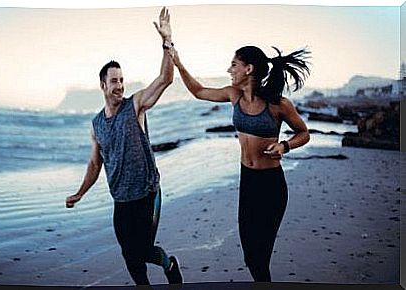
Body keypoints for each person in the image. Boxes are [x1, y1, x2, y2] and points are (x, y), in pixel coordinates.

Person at [168, 45, 311, 282]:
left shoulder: (278, 104)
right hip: (248, 182)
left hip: (271, 186)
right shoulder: (233, 95)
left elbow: (303, 133)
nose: (229, 70)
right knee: (250, 256)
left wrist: (284, 146)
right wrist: (178, 63)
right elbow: (199, 91)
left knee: (260, 256)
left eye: (234, 65)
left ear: (249, 69)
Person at [65, 7, 183, 288]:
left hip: (146, 193)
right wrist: (80, 193)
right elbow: (95, 164)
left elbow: (165, 79)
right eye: (114, 81)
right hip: (121, 199)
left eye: (121, 80)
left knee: (141, 250)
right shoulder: (96, 125)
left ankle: (170, 264)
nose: (119, 86)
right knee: (130, 257)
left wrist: (167, 42)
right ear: (103, 85)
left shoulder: (135, 106)